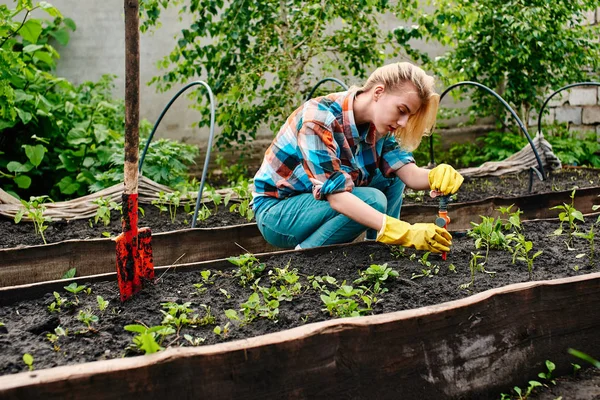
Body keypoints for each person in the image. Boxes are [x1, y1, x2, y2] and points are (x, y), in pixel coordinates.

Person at [251, 62, 463, 253]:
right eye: (401, 110)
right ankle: (305, 254)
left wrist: (436, 175)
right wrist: (405, 232)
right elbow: (337, 197)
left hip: (314, 201)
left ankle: (380, 250)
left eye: (409, 116)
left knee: (392, 176)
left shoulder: (379, 125)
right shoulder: (318, 119)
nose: (404, 122)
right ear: (378, 92)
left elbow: (408, 173)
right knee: (373, 200)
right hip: (278, 211)